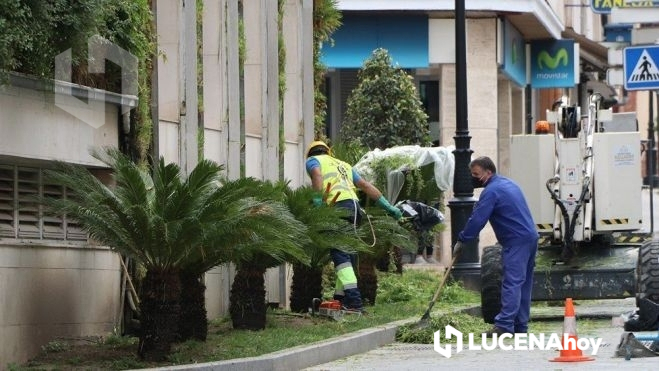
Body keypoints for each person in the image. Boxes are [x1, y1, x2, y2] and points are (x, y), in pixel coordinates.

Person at [305, 140, 402, 312]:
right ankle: (340, 299)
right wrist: (389, 207)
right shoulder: (343, 165)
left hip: (337, 208)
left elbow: (317, 175)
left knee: (340, 256)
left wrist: (318, 202)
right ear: (328, 152)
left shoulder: (313, 160)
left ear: (311, 153)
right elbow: (365, 185)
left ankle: (355, 302)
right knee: (347, 254)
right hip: (355, 209)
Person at [453, 156, 538, 335]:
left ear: (488, 172)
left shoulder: (491, 191)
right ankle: (520, 326)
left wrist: (462, 240)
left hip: (515, 241)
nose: (473, 178)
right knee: (523, 283)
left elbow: (477, 219)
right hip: (529, 238)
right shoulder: (509, 184)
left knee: (512, 282)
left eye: (476, 174)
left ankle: (505, 326)